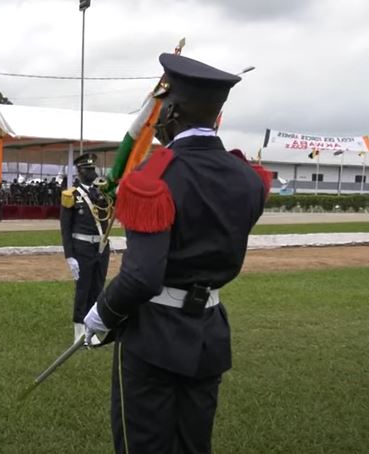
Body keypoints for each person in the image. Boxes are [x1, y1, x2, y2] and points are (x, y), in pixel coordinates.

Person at [82, 53, 269, 453]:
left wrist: (101, 314)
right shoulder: (247, 178)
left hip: (155, 333)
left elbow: (142, 276)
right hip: (209, 333)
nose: (158, 117)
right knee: (193, 445)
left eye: (162, 108)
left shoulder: (152, 179)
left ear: (174, 111)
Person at [59, 153, 111, 342]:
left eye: (92, 169)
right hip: (82, 248)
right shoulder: (71, 195)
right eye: (87, 170)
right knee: (83, 289)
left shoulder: (103, 193)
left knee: (97, 288)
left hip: (101, 246)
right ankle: (79, 330)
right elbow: (65, 228)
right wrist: (69, 256)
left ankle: (91, 329)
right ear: (79, 172)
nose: (91, 173)